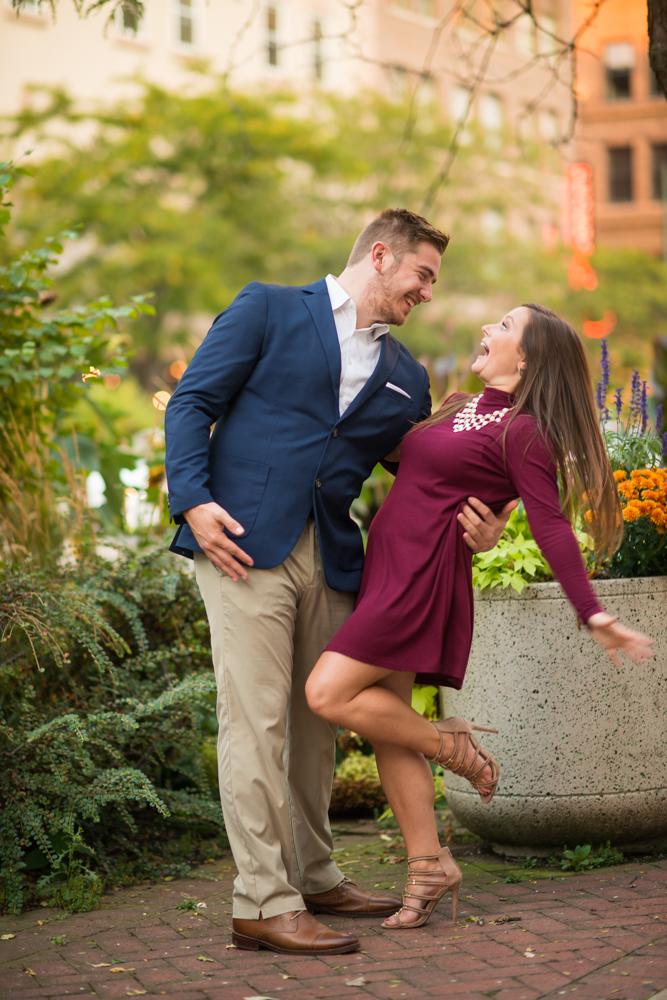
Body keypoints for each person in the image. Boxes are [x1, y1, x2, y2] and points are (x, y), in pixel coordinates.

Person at [164, 209, 515, 956]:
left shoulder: (405, 376)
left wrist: (487, 522)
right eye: (422, 274)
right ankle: (261, 900)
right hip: (239, 543)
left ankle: (315, 874)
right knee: (255, 723)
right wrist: (193, 502)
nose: (426, 292)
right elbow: (194, 401)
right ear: (380, 256)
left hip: (332, 552)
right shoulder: (266, 307)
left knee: (318, 724)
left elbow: (420, 472)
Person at [306, 303, 654, 930]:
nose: (487, 330)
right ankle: (428, 865)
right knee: (389, 725)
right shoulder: (459, 402)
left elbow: (548, 522)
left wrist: (592, 612)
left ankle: (449, 744)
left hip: (419, 580)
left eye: (503, 327)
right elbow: (417, 468)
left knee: (326, 693)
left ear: (527, 358)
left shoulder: (524, 432)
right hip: (387, 566)